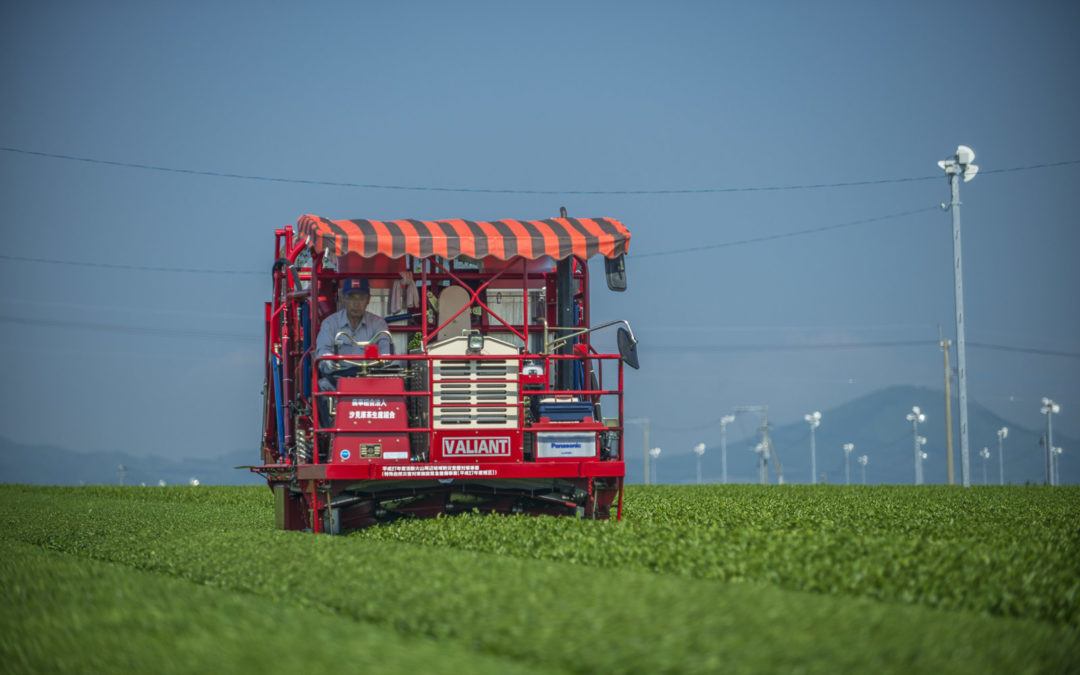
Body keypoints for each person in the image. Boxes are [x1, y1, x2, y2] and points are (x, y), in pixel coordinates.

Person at [315, 278, 393, 425]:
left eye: (361, 298)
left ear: (368, 300)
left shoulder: (378, 324)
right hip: (339, 381)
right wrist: (328, 361)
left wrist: (383, 360)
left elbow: (386, 352)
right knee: (323, 385)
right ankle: (331, 435)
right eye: (351, 298)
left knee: (397, 386)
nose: (356, 303)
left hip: (371, 381)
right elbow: (323, 352)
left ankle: (385, 429)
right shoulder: (330, 324)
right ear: (344, 299)